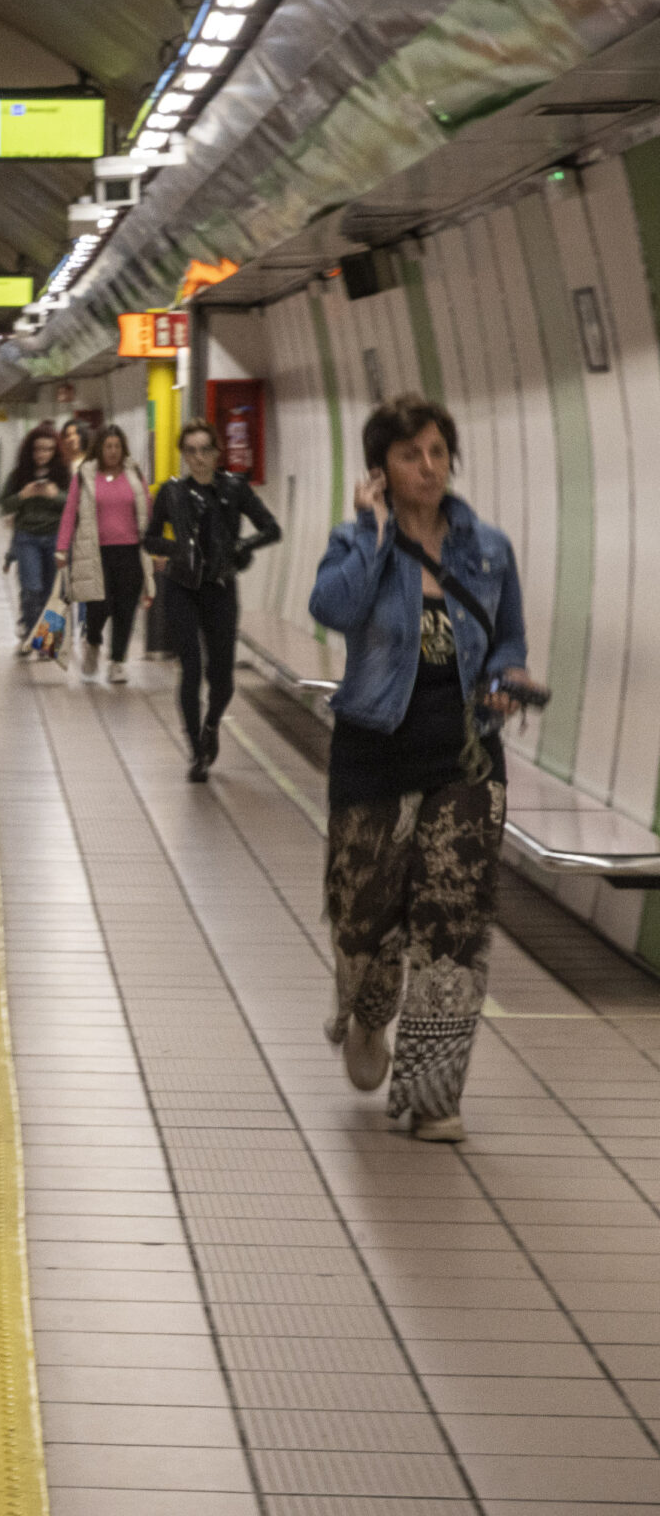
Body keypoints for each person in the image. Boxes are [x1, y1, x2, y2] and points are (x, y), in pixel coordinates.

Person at [309, 395, 539, 1142]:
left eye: (438, 451)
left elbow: (509, 638)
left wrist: (508, 677)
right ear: (381, 468)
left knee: (454, 923)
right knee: (364, 919)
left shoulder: (488, 548)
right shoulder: (355, 542)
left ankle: (436, 1095)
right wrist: (375, 533)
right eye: (411, 454)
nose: (429, 466)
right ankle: (369, 1012)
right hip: (373, 751)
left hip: (465, 755)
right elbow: (332, 609)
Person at [145, 419, 280, 781]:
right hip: (182, 587)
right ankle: (196, 753)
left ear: (217, 452)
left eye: (205, 449)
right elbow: (150, 538)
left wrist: (241, 546)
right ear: (183, 454)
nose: (199, 458)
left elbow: (271, 528)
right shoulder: (171, 493)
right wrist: (177, 549)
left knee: (222, 677)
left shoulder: (234, 489)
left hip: (220, 588)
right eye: (191, 451)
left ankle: (211, 725)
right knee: (190, 669)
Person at [56, 423, 148, 683]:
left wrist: (155, 546)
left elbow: (146, 509)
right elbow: (70, 512)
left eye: (117, 446)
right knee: (99, 604)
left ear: (123, 448)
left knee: (125, 608)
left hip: (130, 551)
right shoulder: (85, 475)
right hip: (95, 551)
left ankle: (117, 661)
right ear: (100, 448)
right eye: (108, 446)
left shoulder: (134, 473)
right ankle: (93, 641)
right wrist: (62, 547)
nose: (113, 451)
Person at [1, 424, 66, 656]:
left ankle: (47, 643)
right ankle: (30, 635)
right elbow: (4, 504)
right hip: (27, 537)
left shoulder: (63, 475)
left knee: (53, 591)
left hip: (55, 537)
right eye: (38, 449)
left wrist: (55, 495)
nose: (42, 454)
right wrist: (23, 495)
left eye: (48, 449)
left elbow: (74, 504)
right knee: (31, 589)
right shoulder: (19, 475)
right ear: (30, 450)